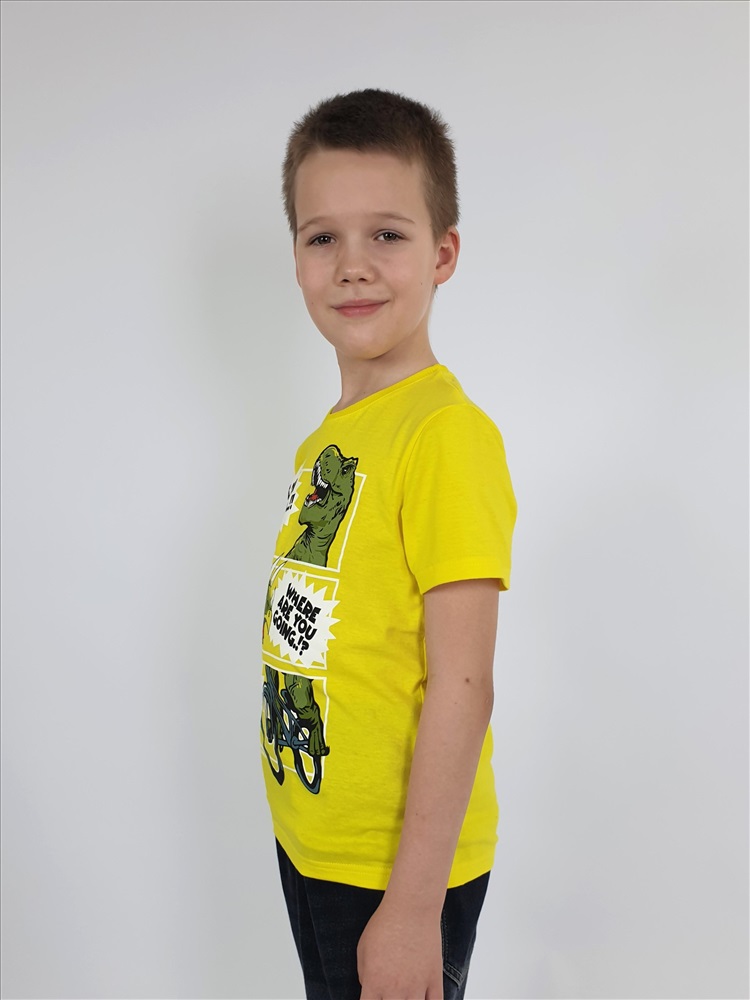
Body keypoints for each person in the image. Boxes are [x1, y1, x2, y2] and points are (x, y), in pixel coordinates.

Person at [259, 88, 517, 1000]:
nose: (353, 266)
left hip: (396, 871)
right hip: (316, 842)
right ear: (296, 258)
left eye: (387, 235)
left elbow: (464, 683)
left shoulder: (444, 435)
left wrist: (412, 908)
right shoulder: (329, 439)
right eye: (322, 237)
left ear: (443, 253)